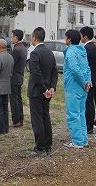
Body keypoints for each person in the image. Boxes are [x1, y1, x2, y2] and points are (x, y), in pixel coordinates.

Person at [27, 27, 58, 157]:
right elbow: (54, 71)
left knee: (37, 119)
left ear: (34, 37)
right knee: (45, 117)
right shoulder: (49, 52)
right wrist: (52, 87)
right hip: (47, 91)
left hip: (37, 91)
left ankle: (40, 147)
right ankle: (48, 145)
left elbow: (35, 73)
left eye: (31, 36)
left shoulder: (35, 53)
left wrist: (45, 89)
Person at [63, 30, 92, 149]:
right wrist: (88, 82)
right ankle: (83, 139)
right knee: (81, 113)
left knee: (73, 114)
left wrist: (84, 82)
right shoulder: (82, 50)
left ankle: (77, 141)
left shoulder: (70, 52)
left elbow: (75, 69)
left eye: (65, 37)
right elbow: (87, 68)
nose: (65, 39)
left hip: (74, 87)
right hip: (83, 88)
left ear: (69, 39)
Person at [80, 26, 96, 134]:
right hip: (93, 78)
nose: (80, 37)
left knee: (88, 104)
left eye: (81, 35)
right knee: (90, 103)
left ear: (85, 36)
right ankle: (90, 126)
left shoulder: (86, 48)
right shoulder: (94, 47)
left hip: (88, 80)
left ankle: (88, 126)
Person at [9, 29, 27, 127]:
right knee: (18, 98)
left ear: (16, 38)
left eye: (12, 36)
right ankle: (20, 119)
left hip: (14, 77)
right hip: (20, 76)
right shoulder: (23, 48)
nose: (11, 38)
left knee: (14, 99)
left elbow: (11, 64)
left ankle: (16, 120)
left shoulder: (16, 49)